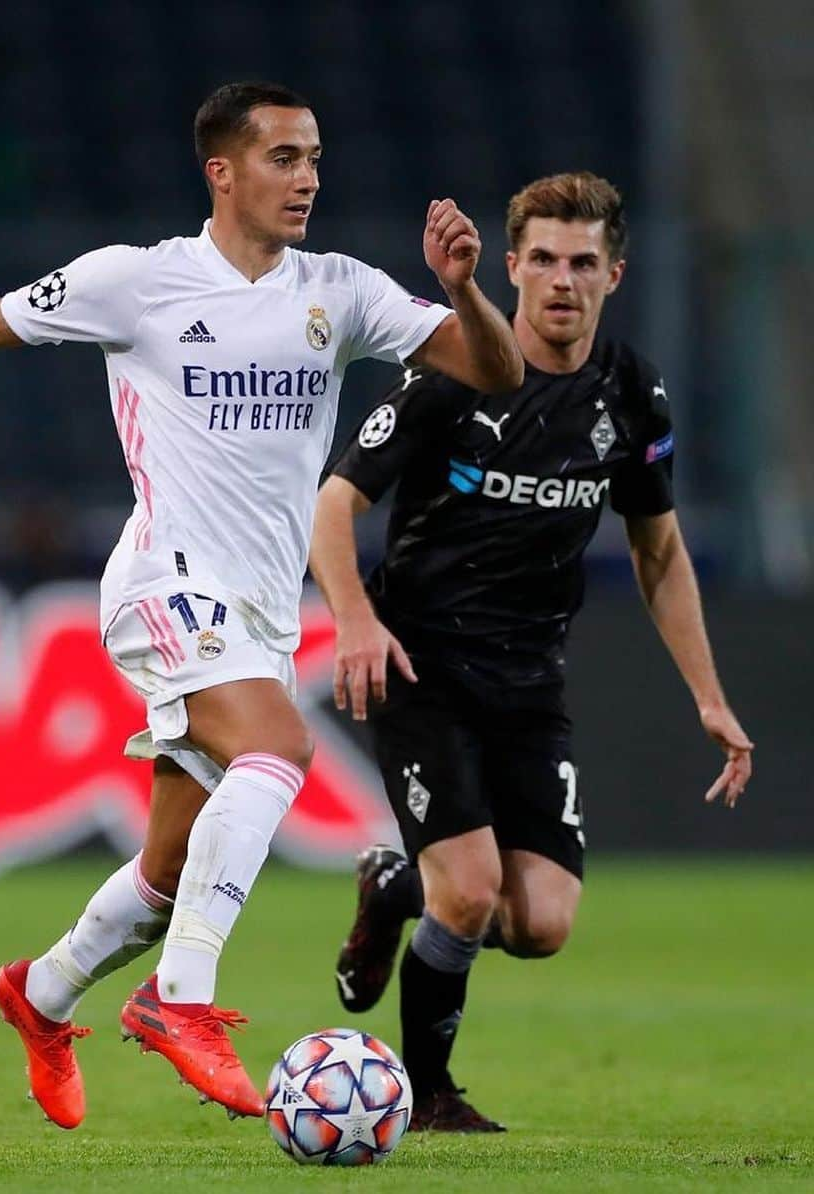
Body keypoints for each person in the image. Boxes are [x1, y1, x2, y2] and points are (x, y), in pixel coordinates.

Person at [0, 82, 522, 1128]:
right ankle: (183, 1002)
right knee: (279, 751)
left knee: (167, 872)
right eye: (282, 157)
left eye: (314, 157)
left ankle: (39, 997)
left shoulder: (339, 291)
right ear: (222, 171)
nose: (307, 177)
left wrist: (468, 288)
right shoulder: (139, 282)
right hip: (163, 581)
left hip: (255, 610)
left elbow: (496, 370)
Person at [308, 171, 753, 1133]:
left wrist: (709, 696)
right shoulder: (449, 375)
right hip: (419, 667)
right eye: (543, 259)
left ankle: (393, 888)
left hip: (529, 679)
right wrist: (353, 617)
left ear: (615, 274)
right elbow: (334, 504)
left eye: (583, 262)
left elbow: (660, 551)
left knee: (539, 925)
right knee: (466, 896)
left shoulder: (631, 392)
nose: (562, 280)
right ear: (510, 267)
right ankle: (429, 1096)